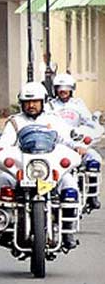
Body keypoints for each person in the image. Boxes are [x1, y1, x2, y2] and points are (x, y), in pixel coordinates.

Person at [0, 82, 85, 250]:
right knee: (3, 180)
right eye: (27, 102)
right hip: (24, 168)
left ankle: (68, 232)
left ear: (43, 101)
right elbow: (5, 141)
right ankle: (5, 228)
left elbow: (66, 138)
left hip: (49, 168)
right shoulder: (15, 122)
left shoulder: (53, 120)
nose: (31, 105)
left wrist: (76, 146)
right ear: (21, 103)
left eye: (35, 101)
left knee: (70, 185)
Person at [48, 73, 102, 210]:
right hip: (57, 145)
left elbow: (90, 123)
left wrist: (89, 136)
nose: (63, 90)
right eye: (59, 87)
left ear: (72, 89)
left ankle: (92, 196)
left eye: (66, 87)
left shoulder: (78, 105)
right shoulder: (50, 106)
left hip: (76, 143)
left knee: (94, 159)